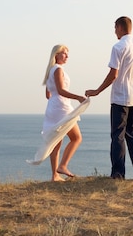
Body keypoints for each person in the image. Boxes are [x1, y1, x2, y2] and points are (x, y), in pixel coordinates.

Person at [85, 16, 133, 179]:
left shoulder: (118, 47)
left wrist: (97, 91)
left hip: (121, 98)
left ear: (120, 27)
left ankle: (118, 174)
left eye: (115, 28)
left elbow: (113, 74)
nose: (114, 31)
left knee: (118, 136)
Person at [42, 44, 86, 181]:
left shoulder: (51, 70)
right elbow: (61, 91)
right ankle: (62, 166)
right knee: (76, 138)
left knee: (57, 141)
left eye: (67, 54)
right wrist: (78, 97)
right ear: (56, 55)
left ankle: (55, 175)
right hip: (61, 107)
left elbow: (48, 94)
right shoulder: (58, 70)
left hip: (53, 106)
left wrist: (55, 100)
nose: (67, 56)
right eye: (64, 53)